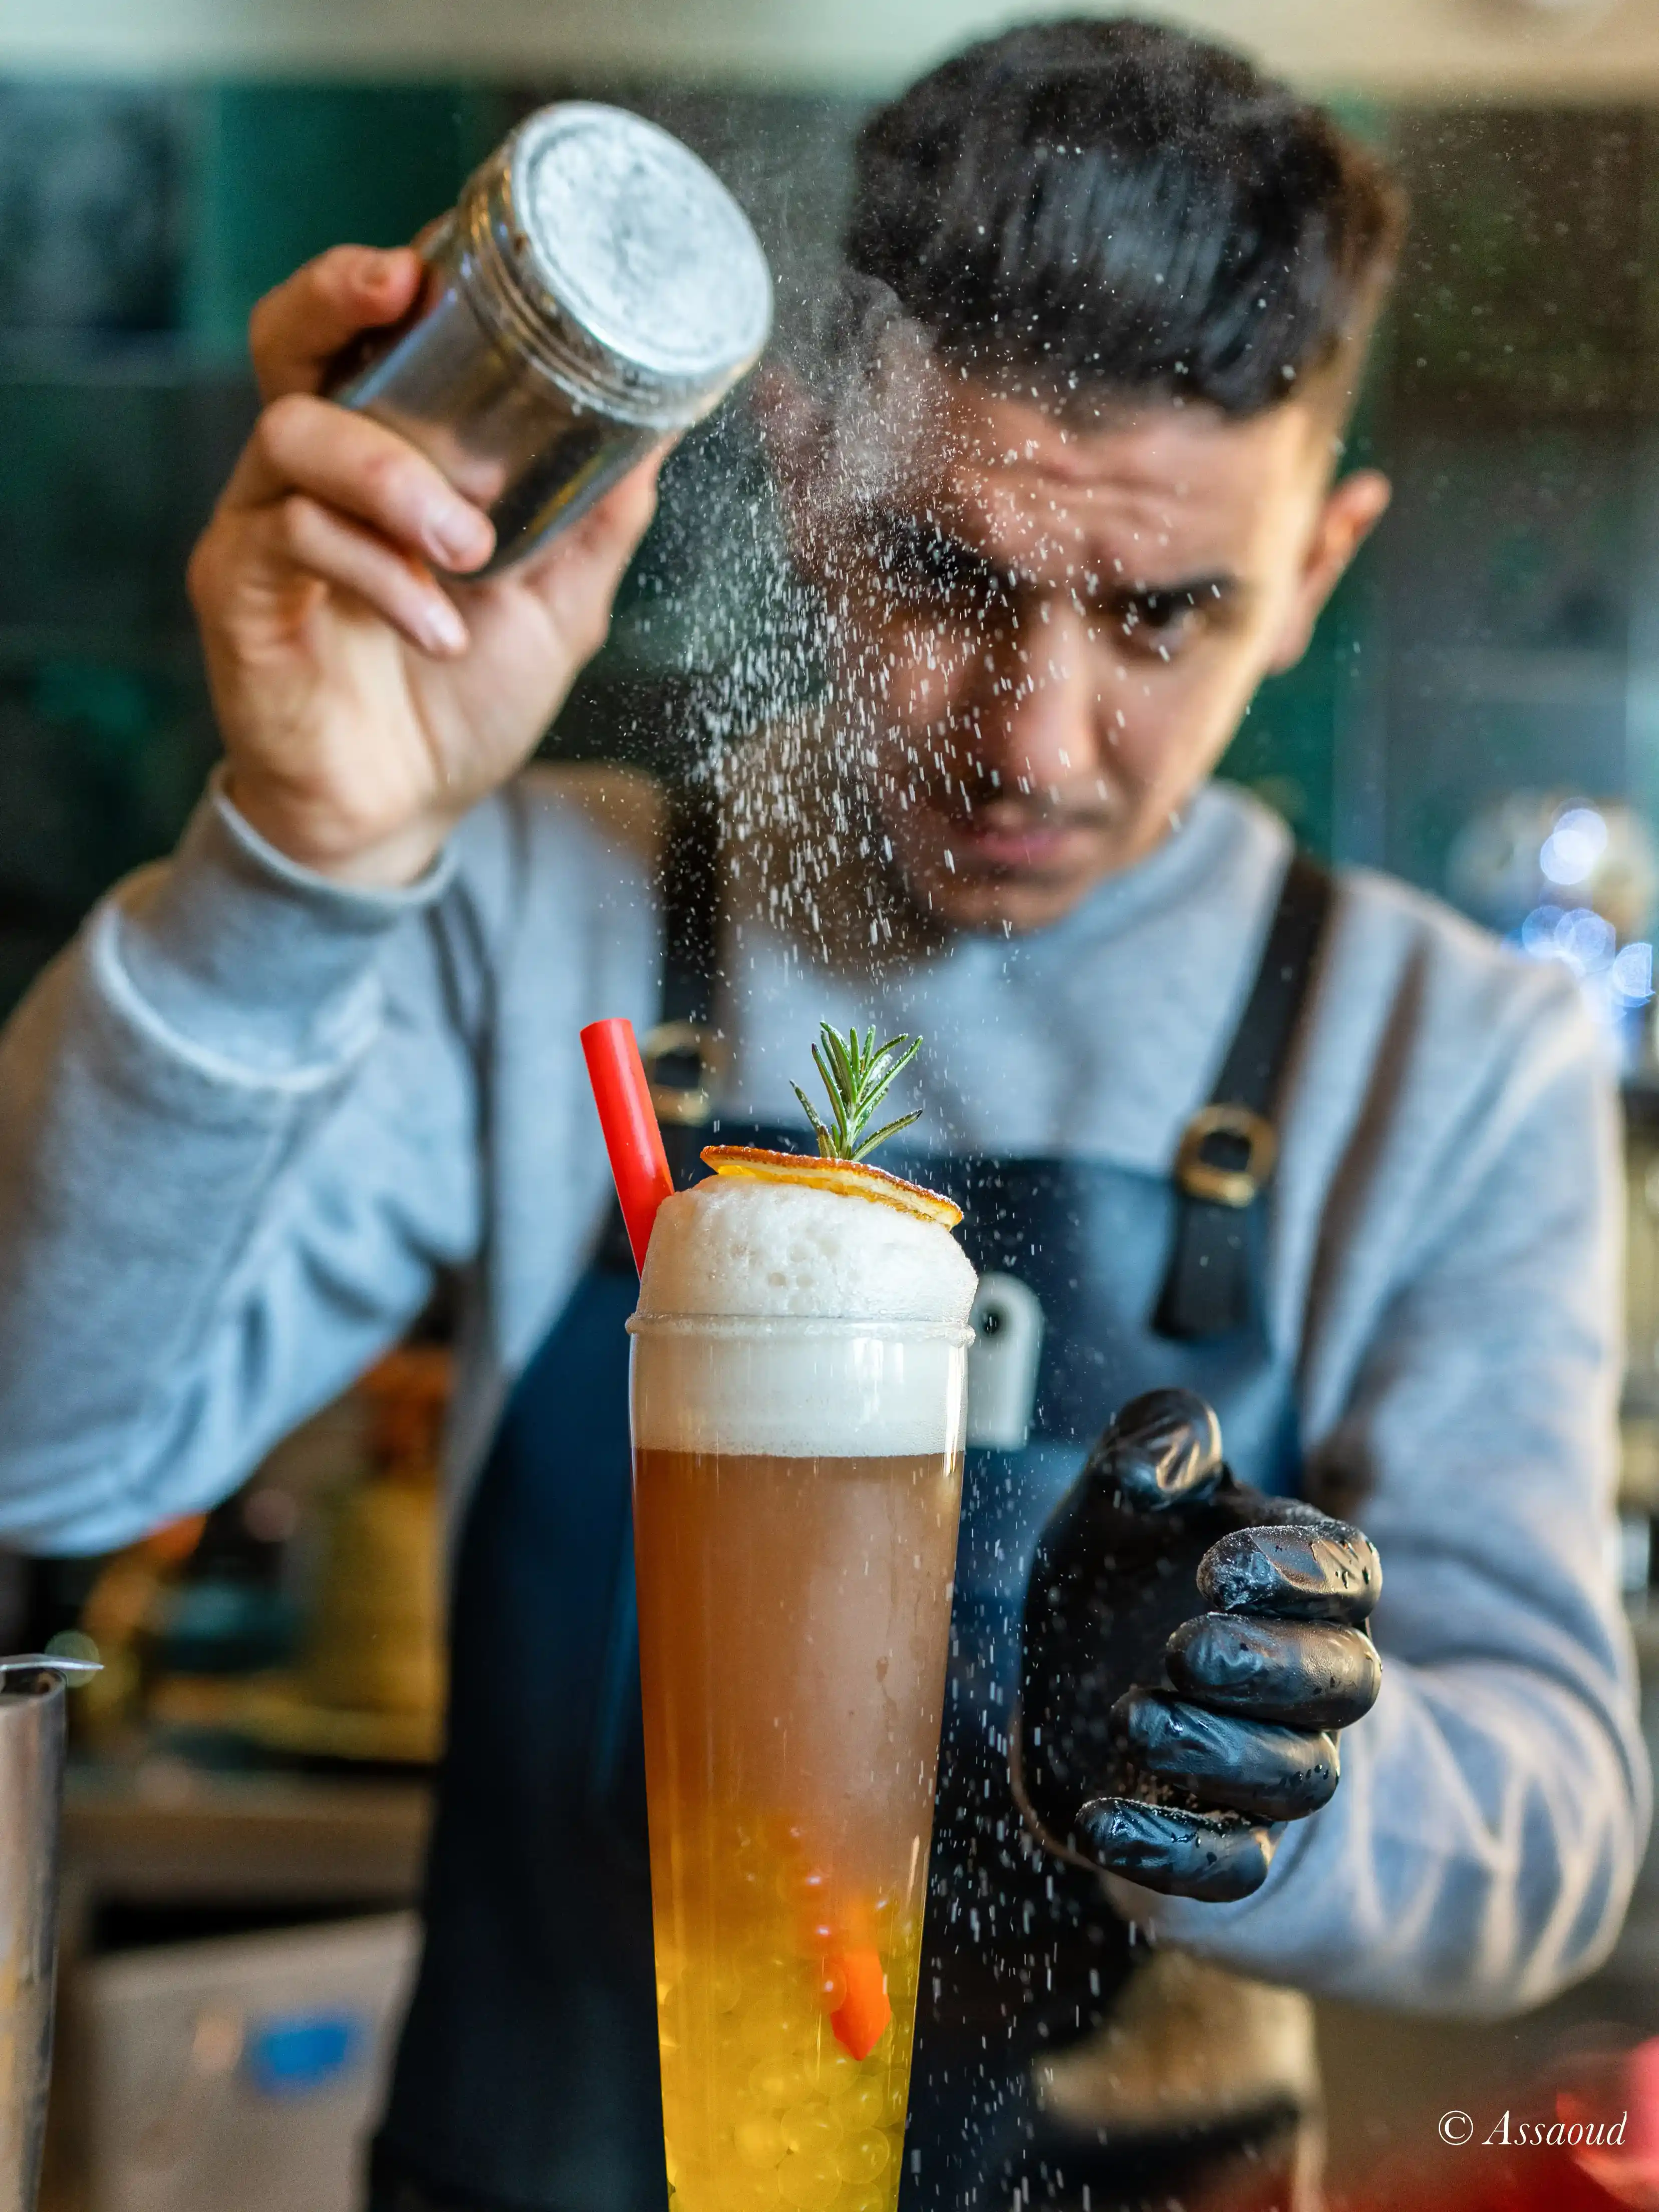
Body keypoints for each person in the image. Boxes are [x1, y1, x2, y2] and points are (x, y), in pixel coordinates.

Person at [0, 18, 1646, 2212]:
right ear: (801, 474)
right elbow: (38, 1452)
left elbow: (1562, 1825)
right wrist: (303, 855)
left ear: (1318, 564)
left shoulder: (1440, 1052)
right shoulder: (535, 912)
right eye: (950, 574)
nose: (1034, 737)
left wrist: (1258, 1764)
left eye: (1164, 611)